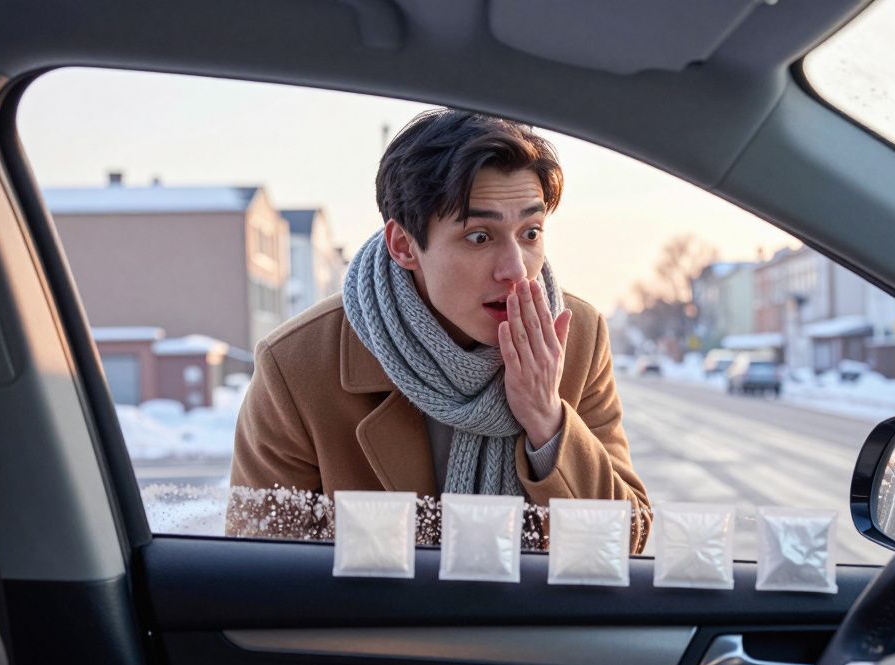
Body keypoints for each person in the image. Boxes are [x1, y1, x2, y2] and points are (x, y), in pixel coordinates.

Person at [225, 108, 649, 551]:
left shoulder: (576, 336)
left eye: (530, 232)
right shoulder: (298, 366)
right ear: (405, 246)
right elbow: (262, 574)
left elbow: (623, 544)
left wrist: (547, 420)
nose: (516, 271)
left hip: (530, 621)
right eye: (479, 237)